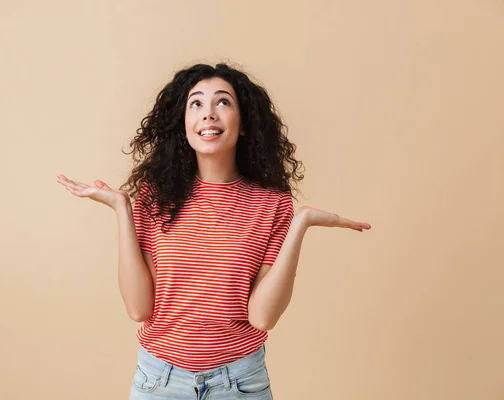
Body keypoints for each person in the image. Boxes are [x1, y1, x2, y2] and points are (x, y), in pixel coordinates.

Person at [57, 63, 371, 399]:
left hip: (240, 384)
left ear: (245, 123)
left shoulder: (272, 204)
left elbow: (262, 317)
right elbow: (139, 309)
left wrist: (301, 224)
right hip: (159, 382)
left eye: (223, 102)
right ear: (183, 124)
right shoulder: (156, 195)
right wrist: (122, 208)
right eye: (196, 104)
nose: (208, 114)